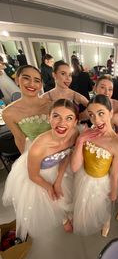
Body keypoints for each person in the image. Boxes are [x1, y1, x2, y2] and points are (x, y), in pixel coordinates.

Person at [3, 99, 79, 240]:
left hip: (58, 167)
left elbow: (66, 156)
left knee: (65, 193)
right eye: (56, 116)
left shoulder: (74, 134)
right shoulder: (38, 147)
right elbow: (33, 176)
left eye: (69, 118)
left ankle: (66, 213)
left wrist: (59, 179)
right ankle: (63, 219)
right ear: (49, 118)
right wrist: (50, 187)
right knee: (52, 200)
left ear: (75, 122)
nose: (62, 123)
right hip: (38, 175)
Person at [71, 94, 118, 237]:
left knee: (103, 206)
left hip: (101, 182)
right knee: (86, 204)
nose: (97, 120)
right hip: (84, 177)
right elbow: (75, 168)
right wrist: (80, 141)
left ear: (111, 113)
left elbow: (114, 173)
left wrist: (114, 192)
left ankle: (106, 221)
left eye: (101, 113)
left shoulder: (117, 145)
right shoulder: (87, 133)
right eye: (91, 115)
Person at [2, 65, 51, 153]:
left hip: (59, 149)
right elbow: (20, 138)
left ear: (40, 85)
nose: (32, 84)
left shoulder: (51, 104)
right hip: (35, 153)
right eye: (26, 78)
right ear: (17, 80)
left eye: (37, 81)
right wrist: (24, 160)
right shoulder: (8, 113)